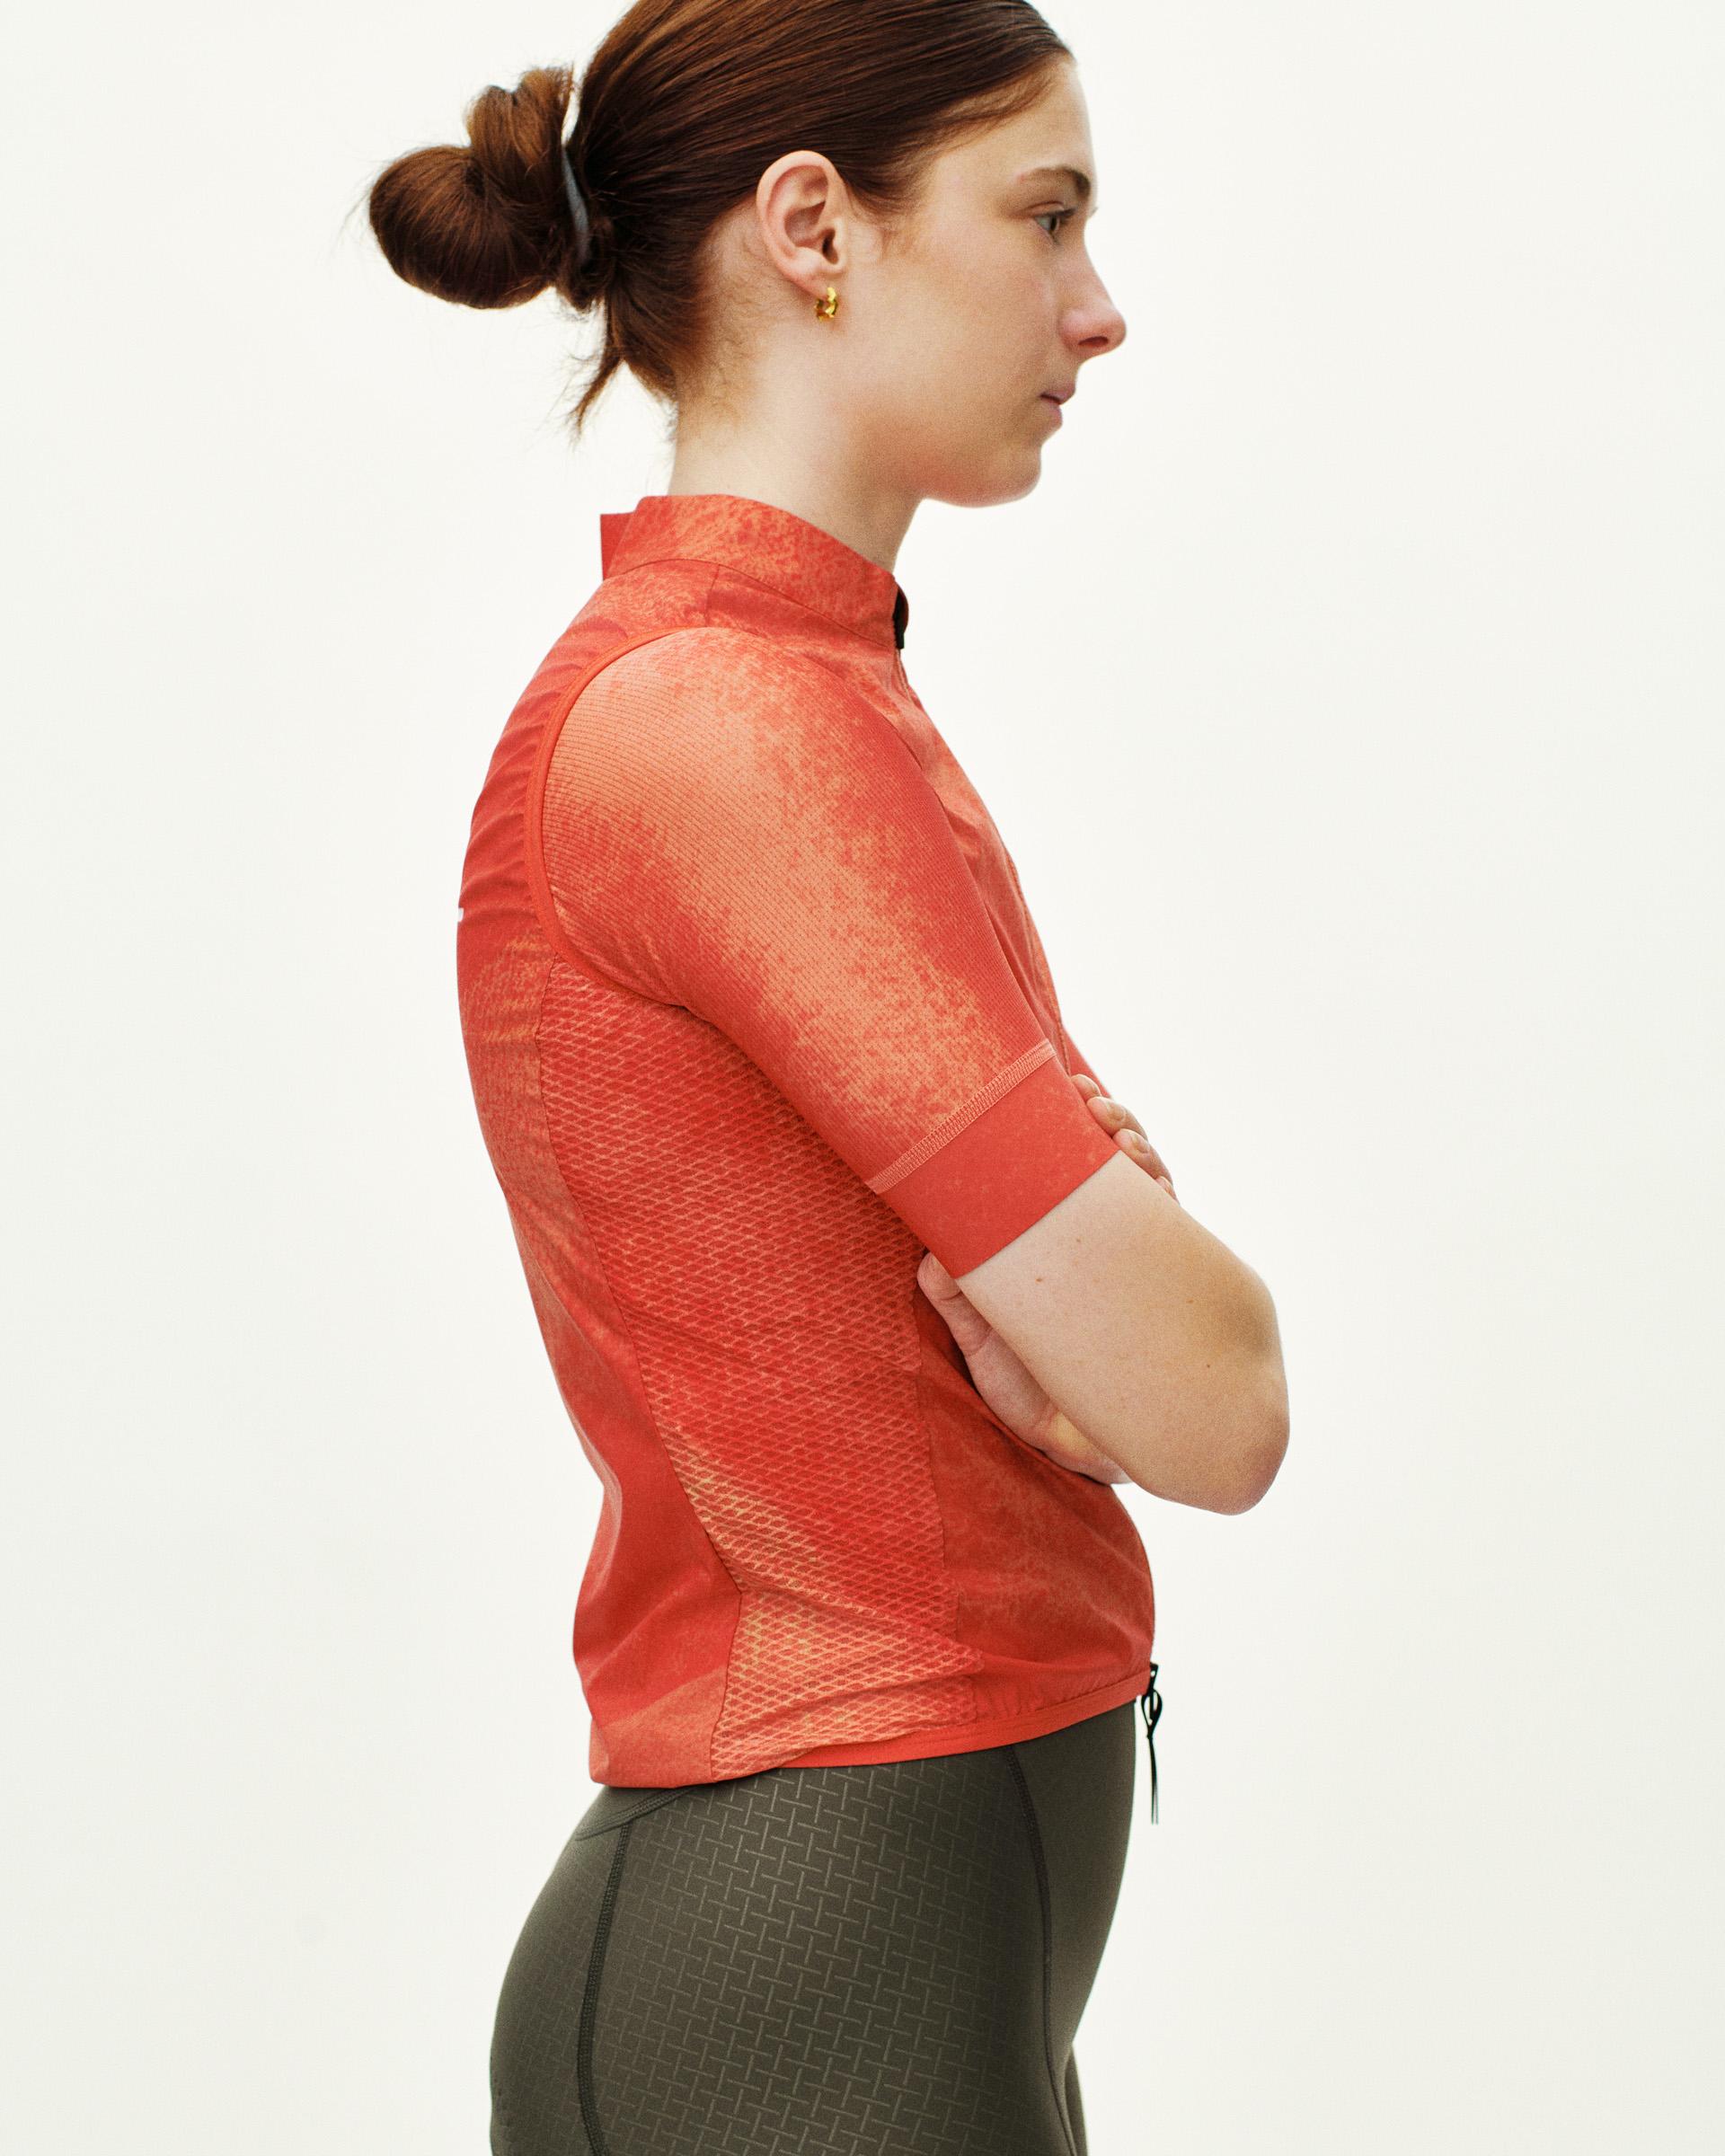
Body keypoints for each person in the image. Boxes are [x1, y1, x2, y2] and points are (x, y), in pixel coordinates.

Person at [367, 4, 1288, 2148]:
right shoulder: (722, 727)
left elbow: (1149, 1369)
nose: (1097, 307)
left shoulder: (797, 683)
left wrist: (1113, 1343)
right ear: (813, 230)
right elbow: (1216, 1397)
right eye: (1042, 215)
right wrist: (1119, 1339)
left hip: (879, 1936)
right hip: (808, 1967)